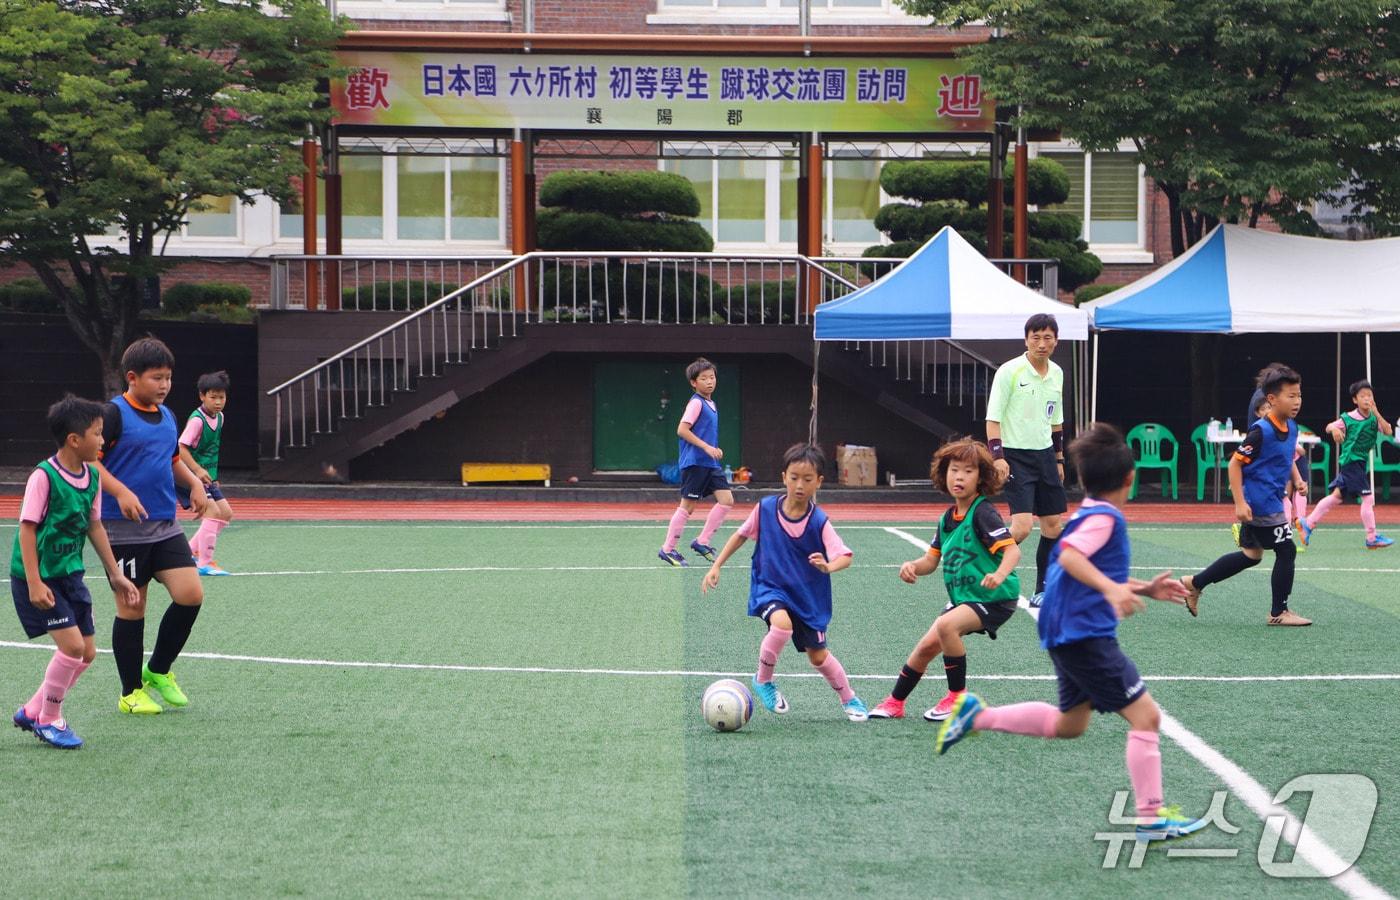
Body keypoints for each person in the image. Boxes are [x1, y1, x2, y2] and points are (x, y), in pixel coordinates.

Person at [933, 424, 1206, 842]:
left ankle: (978, 715)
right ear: (1130, 479)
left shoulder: (1087, 516)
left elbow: (1080, 569)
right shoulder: (1106, 518)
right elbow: (1072, 557)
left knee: (1070, 724)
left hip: (1065, 633)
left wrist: (1139, 586)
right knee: (1146, 717)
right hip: (1085, 637)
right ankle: (1151, 818)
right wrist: (1114, 588)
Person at [702, 443, 868, 722]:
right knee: (781, 625)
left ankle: (849, 698)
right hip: (770, 587)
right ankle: (763, 680)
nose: (799, 485)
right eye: (794, 478)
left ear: (819, 482)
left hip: (808, 598)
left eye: (807, 479)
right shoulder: (766, 508)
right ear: (784, 477)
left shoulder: (819, 521)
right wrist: (716, 565)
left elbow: (845, 556)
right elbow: (741, 535)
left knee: (818, 657)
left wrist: (828, 566)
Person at [11, 396, 139, 748]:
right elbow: (26, 529)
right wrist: (34, 583)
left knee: (87, 652)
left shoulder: (92, 477)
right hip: (41, 577)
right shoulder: (44, 476)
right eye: (97, 434)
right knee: (71, 648)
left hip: (71, 574)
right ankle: (50, 720)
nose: (103, 441)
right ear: (74, 440)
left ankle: (33, 709)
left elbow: (94, 525)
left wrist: (115, 573)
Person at [869, 438, 1021, 722]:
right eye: (954, 470)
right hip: (966, 598)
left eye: (968, 471)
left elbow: (1013, 550)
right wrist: (913, 565)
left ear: (981, 478)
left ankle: (958, 699)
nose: (959, 477)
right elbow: (931, 560)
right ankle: (895, 702)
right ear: (943, 474)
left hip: (996, 597)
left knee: (945, 625)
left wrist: (999, 574)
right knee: (926, 646)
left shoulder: (984, 512)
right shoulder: (946, 519)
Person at [96, 337, 210, 714]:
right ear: (132, 377)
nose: (164, 385)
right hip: (120, 530)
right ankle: (130, 693)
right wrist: (121, 492)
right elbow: (89, 463)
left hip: (164, 525)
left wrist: (193, 483)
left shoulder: (168, 416)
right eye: (156, 378)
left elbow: (172, 458)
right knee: (132, 607)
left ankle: (158, 669)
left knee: (191, 594)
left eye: (168, 378)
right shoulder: (112, 415)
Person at [1184, 364, 1311, 625]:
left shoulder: (1293, 427)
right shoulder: (1260, 431)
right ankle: (1278, 613)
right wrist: (1240, 503)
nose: (1297, 401)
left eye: (1299, 395)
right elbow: (1235, 464)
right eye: (1291, 395)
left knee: (1251, 556)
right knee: (1287, 550)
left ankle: (1195, 583)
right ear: (1272, 399)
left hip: (1271, 500)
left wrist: (1297, 479)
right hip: (1260, 503)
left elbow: (1285, 458)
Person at [985, 314, 1067, 608]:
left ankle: (1043, 590)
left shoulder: (1057, 373)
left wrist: (1059, 460)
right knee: (1020, 527)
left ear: (1056, 341)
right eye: (1036, 337)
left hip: (1044, 455)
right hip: (1015, 456)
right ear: (1026, 340)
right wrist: (998, 457)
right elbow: (992, 419)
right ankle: (983, 569)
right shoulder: (1010, 371)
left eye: (1048, 338)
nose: (1042, 344)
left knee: (1053, 526)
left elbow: (1055, 420)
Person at [1299, 379, 1394, 549]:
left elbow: (1388, 431)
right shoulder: (1348, 418)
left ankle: (1308, 523)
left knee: (1336, 497)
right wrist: (1335, 430)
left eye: (1369, 395)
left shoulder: (1374, 417)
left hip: (1360, 462)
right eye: (1363, 396)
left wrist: (1377, 413)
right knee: (1368, 497)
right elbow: (1328, 427)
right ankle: (1372, 537)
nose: (1367, 399)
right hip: (1351, 461)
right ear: (1355, 400)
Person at [658, 358, 734, 567]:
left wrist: (714, 448)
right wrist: (707, 447)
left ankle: (702, 542)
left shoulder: (711, 403)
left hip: (710, 464)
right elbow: (682, 430)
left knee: (726, 500)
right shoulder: (696, 403)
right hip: (695, 463)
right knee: (687, 507)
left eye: (712, 377)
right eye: (704, 378)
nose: (710, 381)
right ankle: (668, 549)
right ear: (694, 382)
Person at [178, 370, 235, 575]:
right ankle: (205, 563)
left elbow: (212, 450)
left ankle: (190, 552)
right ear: (202, 396)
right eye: (213, 397)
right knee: (212, 512)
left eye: (222, 397)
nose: (218, 402)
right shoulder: (197, 421)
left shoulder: (220, 417)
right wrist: (197, 470)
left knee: (226, 513)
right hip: (188, 474)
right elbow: (181, 448)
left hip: (205, 476)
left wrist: (213, 476)